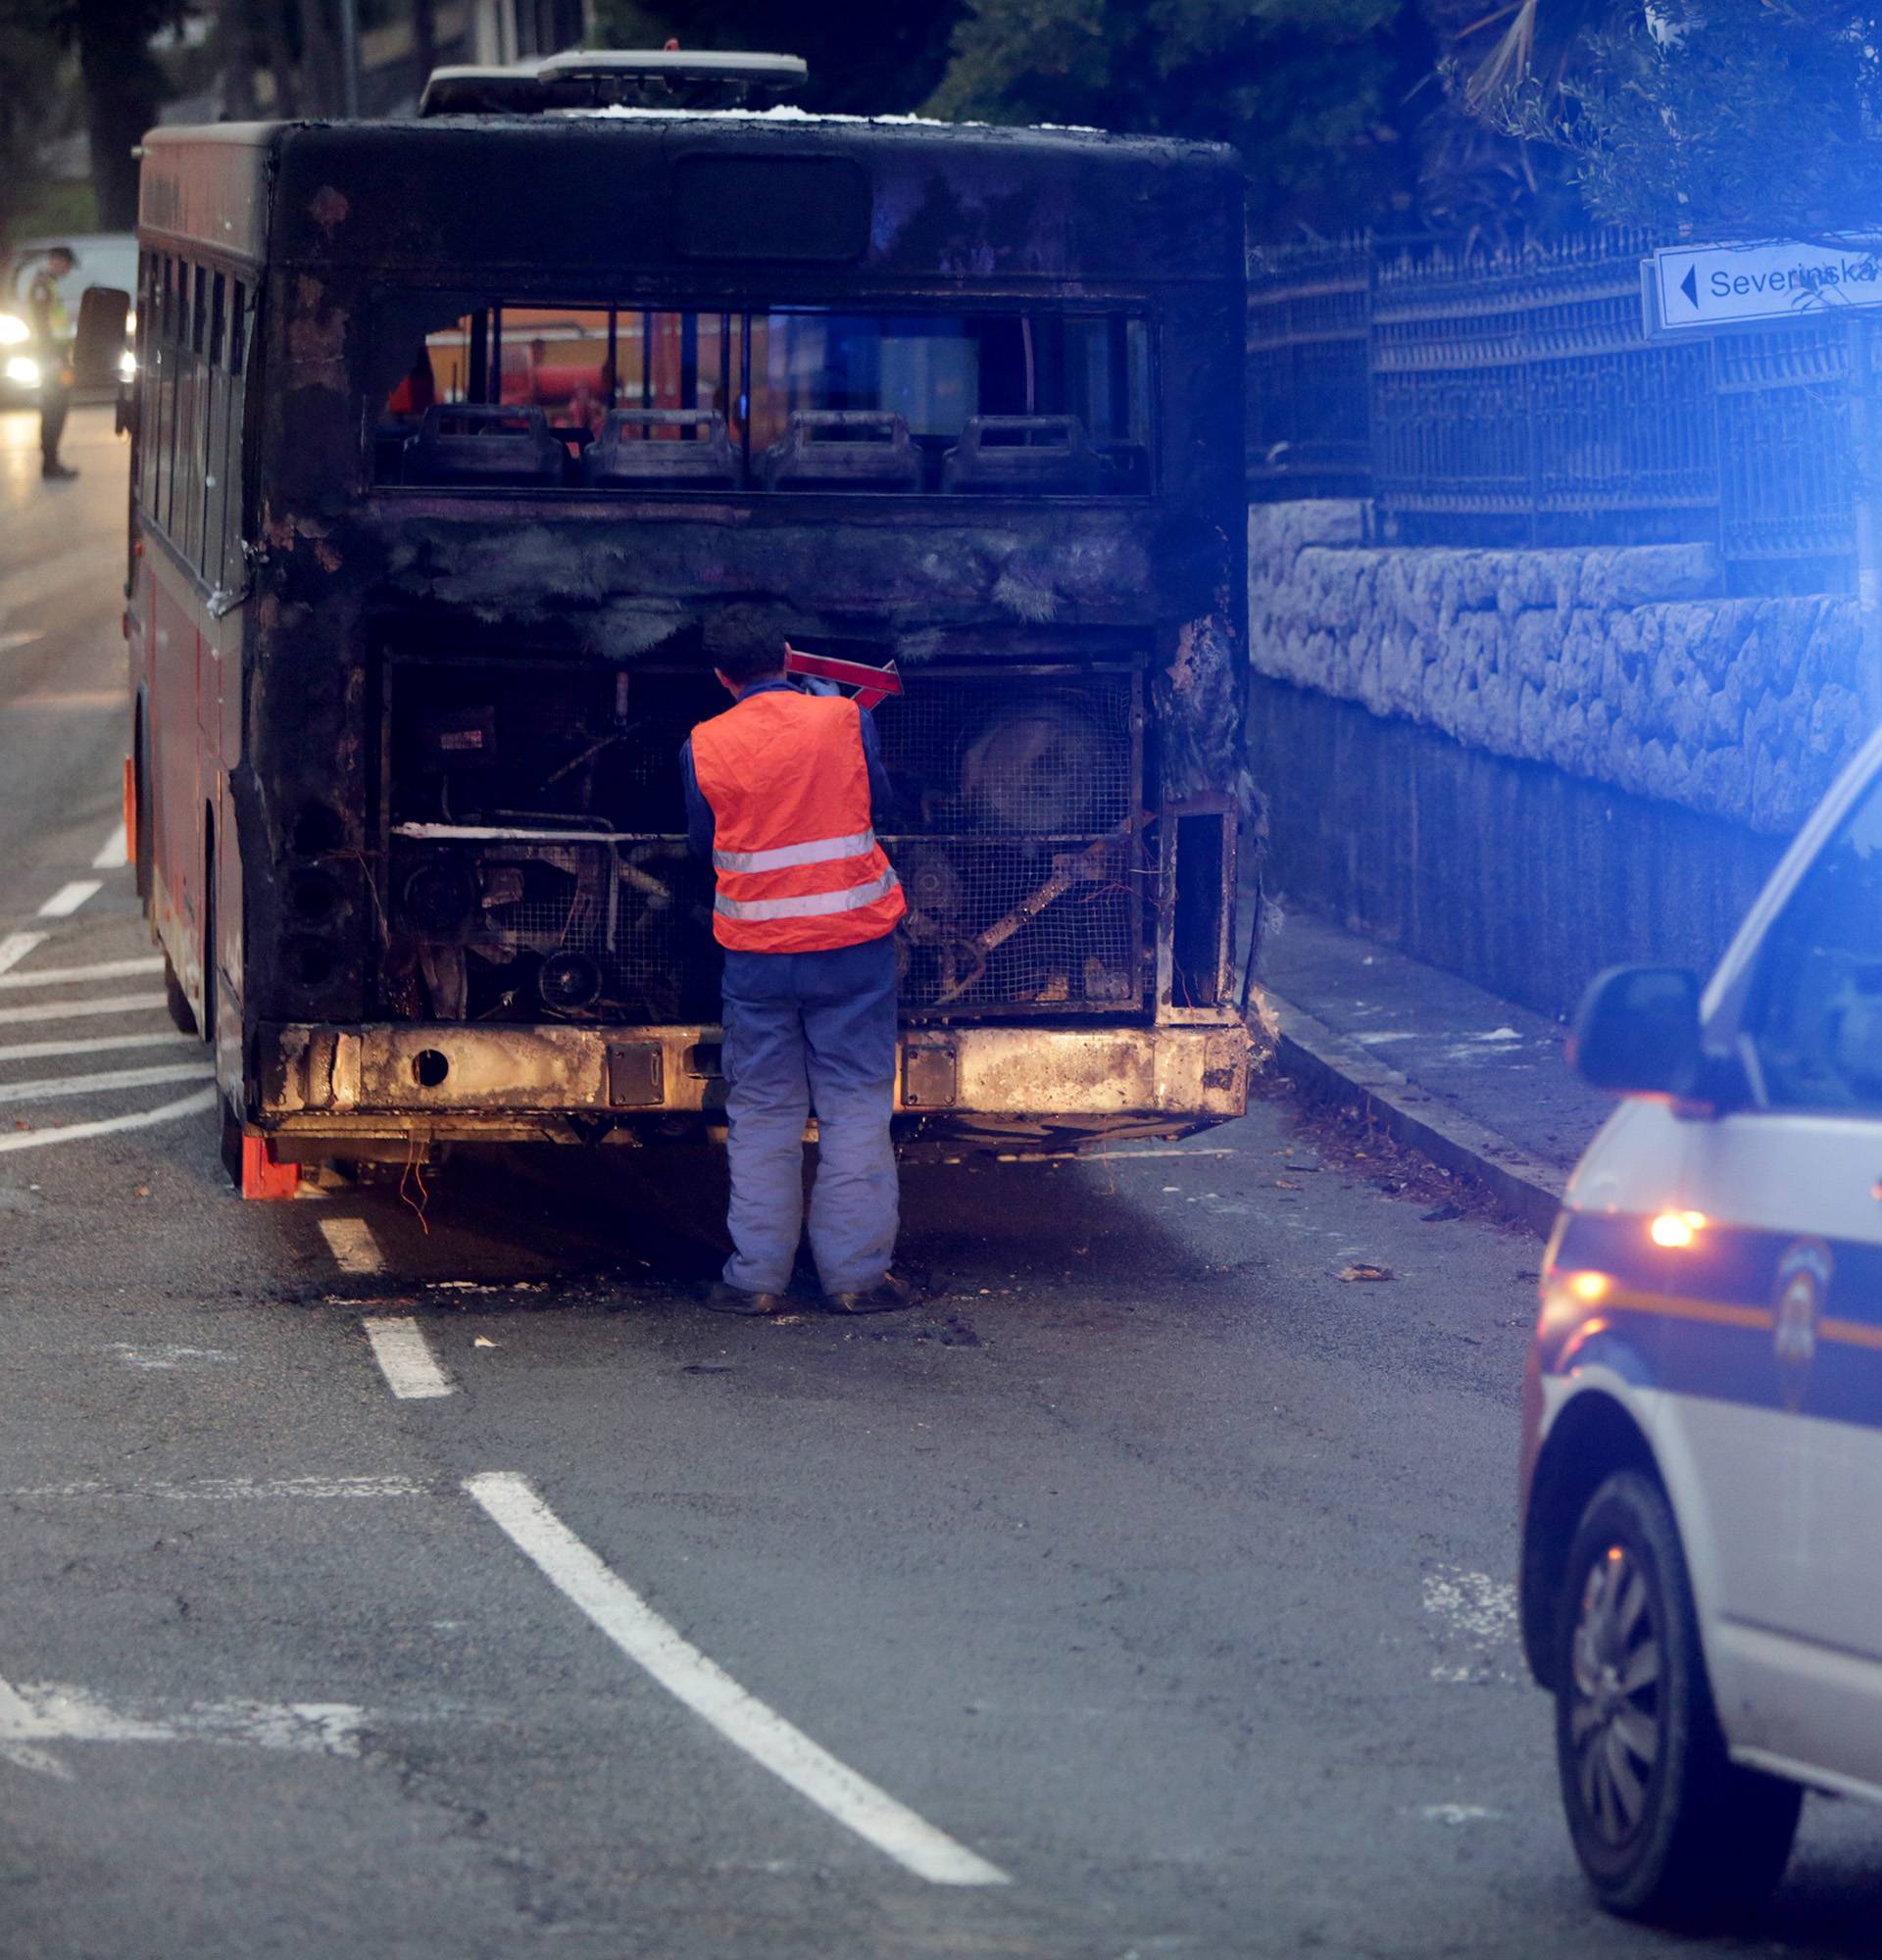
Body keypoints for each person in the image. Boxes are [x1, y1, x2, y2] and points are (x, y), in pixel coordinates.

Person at [680, 607, 914, 1315]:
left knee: (763, 1114)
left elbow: (701, 843)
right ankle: (855, 1279)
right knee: (853, 1109)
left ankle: (756, 1281)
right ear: (787, 654)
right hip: (853, 948)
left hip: (757, 956)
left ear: (722, 677)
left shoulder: (703, 743)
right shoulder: (844, 719)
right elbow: (881, 800)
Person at [27, 247, 77, 481]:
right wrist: (52, 358)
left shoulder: (48, 284)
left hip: (57, 356)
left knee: (58, 407)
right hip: (51, 358)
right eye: (66, 265)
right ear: (56, 261)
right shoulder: (42, 286)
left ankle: (52, 462)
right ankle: (50, 464)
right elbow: (41, 324)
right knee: (53, 408)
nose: (67, 270)